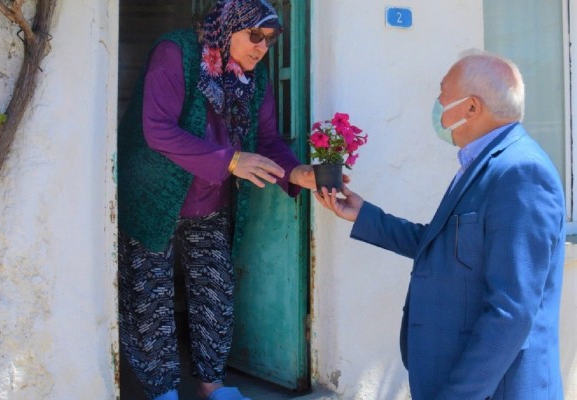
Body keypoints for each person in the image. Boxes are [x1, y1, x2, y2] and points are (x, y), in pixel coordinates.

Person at [315, 51, 565, 399]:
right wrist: (364, 215)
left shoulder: (521, 173)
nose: (437, 103)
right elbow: (442, 244)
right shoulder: (483, 164)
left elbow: (510, 312)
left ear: (472, 108)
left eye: (443, 93)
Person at [117, 1, 320, 399]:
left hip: (208, 198)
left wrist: (296, 173)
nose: (262, 48)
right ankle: (162, 391)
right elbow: (157, 130)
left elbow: (268, 141)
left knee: (215, 288)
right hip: (152, 193)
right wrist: (232, 159)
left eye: (271, 40)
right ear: (227, 28)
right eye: (255, 36)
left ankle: (214, 386)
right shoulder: (176, 53)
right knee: (150, 295)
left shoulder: (253, 79)